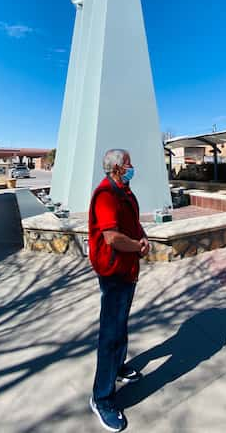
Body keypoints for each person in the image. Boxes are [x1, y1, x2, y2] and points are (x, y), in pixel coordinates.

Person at [89, 148, 150, 432]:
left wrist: (143, 237)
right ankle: (102, 397)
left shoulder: (125, 192)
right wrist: (137, 247)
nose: (131, 167)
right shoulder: (106, 195)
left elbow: (134, 223)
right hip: (114, 271)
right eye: (127, 163)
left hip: (128, 270)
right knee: (110, 333)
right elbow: (112, 236)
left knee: (121, 324)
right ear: (116, 168)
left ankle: (119, 366)